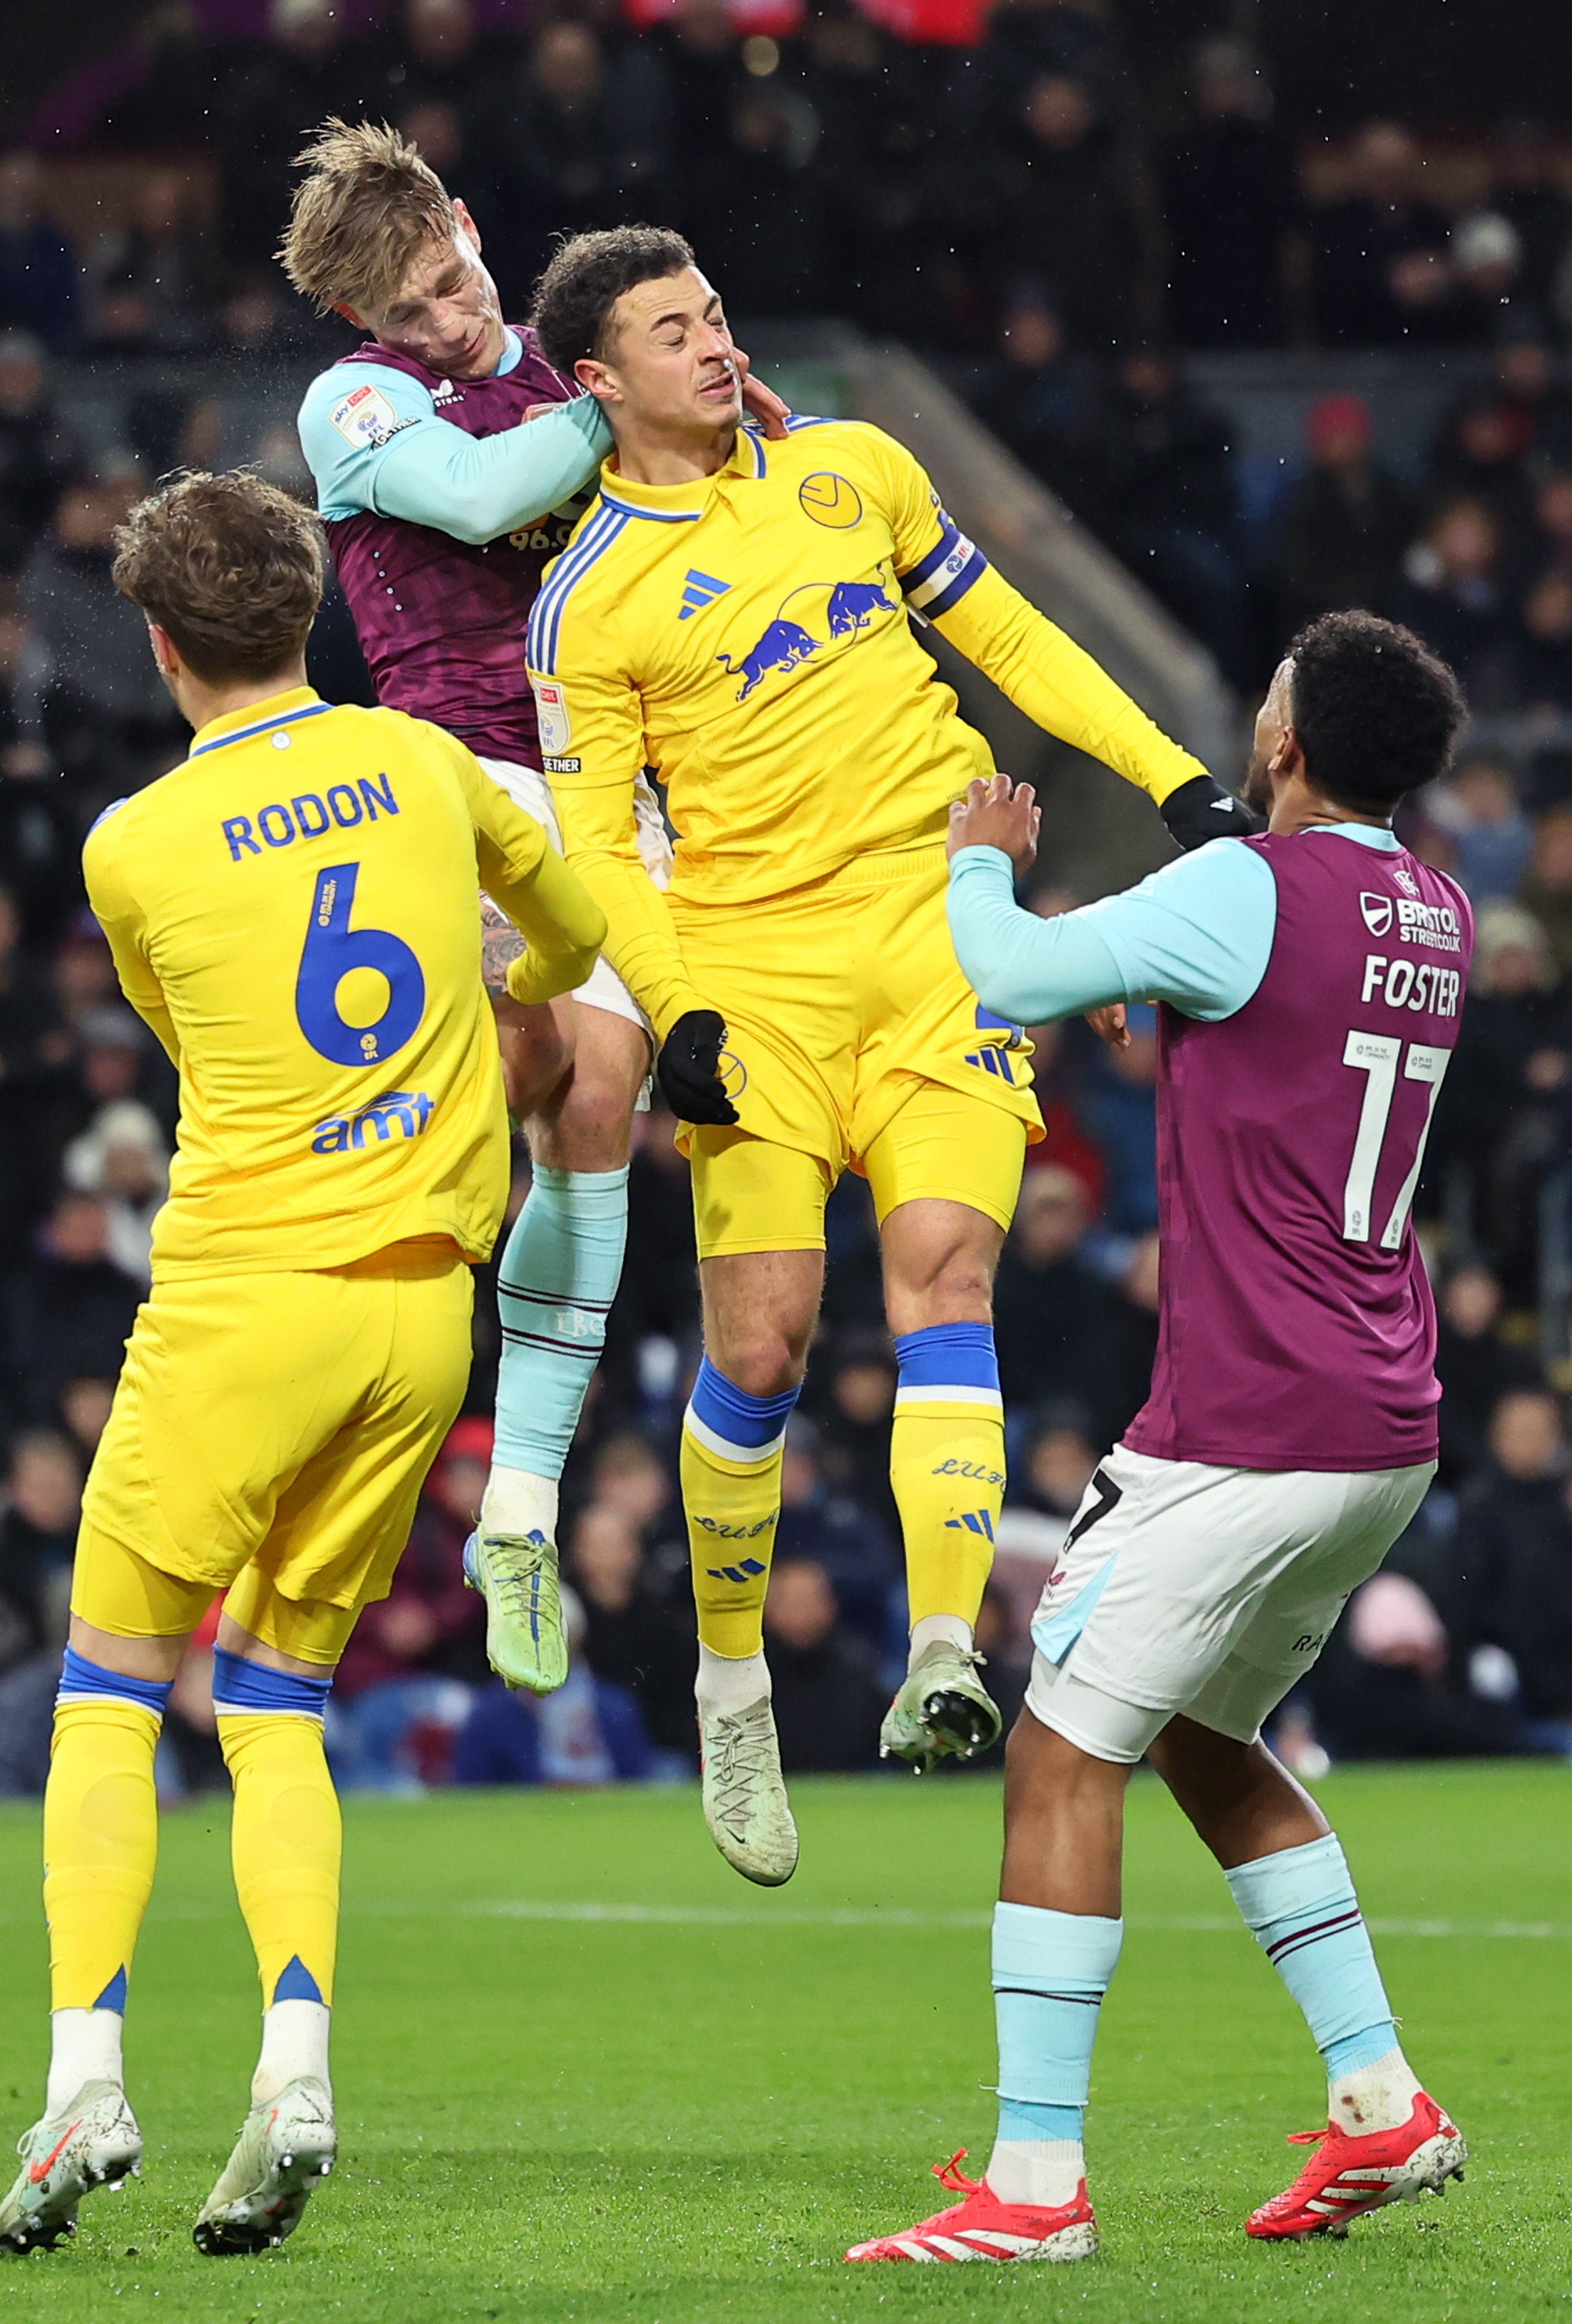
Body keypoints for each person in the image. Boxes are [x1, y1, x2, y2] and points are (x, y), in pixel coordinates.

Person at [521, 224, 1250, 1884]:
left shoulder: (856, 468)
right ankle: (730, 1680)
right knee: (764, 1349)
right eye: (667, 331)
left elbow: (1013, 644)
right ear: (598, 383)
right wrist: (678, 1006)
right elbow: (595, 834)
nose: (710, 345)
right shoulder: (586, 599)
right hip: (756, 977)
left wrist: (1180, 781)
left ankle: (942, 1650)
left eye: (715, 315)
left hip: (937, 937)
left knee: (947, 1274)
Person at [0, 471, 601, 2260]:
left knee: (108, 1688)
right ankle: (299, 2061)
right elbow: (574, 945)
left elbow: (187, 1041)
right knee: (274, 1701)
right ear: (314, 612)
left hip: (247, 1295)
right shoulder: (431, 769)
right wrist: (489, 971)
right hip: (422, 1312)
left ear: (162, 645)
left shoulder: (133, 842)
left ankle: (85, 2080)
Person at [849, 612, 1473, 2265]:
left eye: (1266, 691)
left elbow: (1005, 978)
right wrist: (1147, 977)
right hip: (1382, 1411)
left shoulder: (1245, 892)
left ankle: (1034, 2190)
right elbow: (1267, 1026)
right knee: (1204, 1736)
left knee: (1061, 1750)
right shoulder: (1434, 905)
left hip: (1254, 1423)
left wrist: (985, 861)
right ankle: (1380, 2100)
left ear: (1284, 744)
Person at [278, 124, 791, 1690]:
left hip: (623, 794)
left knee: (599, 1105)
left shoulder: (580, 366)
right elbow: (491, 484)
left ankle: (516, 1515)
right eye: (405, 314)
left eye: (446, 287)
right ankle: (348, 1356)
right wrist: (615, 403)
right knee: (528, 1073)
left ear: (469, 224)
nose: (437, 326)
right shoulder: (361, 403)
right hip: (463, 778)